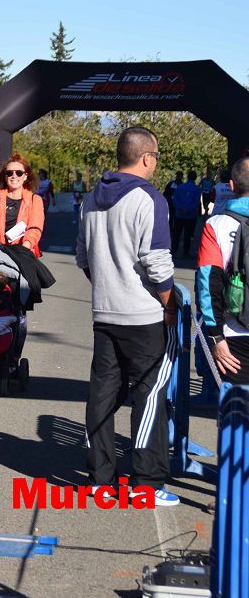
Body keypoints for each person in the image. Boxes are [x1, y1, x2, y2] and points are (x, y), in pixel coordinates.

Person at [76, 125, 179, 506]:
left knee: (102, 394)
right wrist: (170, 302)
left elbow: (84, 258)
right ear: (147, 157)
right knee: (149, 396)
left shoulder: (90, 199)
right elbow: (156, 260)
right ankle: (146, 485)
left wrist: (107, 284)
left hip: (104, 312)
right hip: (143, 315)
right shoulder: (149, 199)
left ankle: (100, 480)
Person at [197, 158, 249, 385]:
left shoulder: (216, 224)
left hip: (234, 332)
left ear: (231, 185)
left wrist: (216, 336)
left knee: (236, 413)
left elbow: (208, 283)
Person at [171, 170, 201, 258]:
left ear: (187, 177)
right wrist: (188, 209)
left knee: (176, 233)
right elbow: (196, 202)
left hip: (179, 214)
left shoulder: (180, 187)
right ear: (195, 178)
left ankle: (174, 250)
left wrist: (180, 208)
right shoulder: (197, 189)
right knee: (188, 235)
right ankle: (185, 252)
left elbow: (174, 199)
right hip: (190, 215)